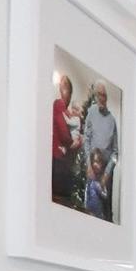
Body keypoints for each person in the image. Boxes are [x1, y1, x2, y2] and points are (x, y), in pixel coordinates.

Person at [82, 81, 118, 220]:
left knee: (106, 210)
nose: (101, 98)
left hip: (106, 173)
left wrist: (107, 174)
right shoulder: (91, 112)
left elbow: (115, 153)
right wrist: (89, 165)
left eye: (104, 95)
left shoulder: (112, 120)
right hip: (92, 168)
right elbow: (87, 139)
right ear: (95, 96)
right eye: (99, 95)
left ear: (106, 97)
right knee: (90, 206)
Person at [51, 74, 80, 203]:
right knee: (58, 198)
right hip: (58, 158)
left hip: (64, 161)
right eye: (63, 88)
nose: (64, 92)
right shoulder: (58, 104)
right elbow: (63, 134)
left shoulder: (67, 111)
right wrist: (73, 143)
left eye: (66, 88)